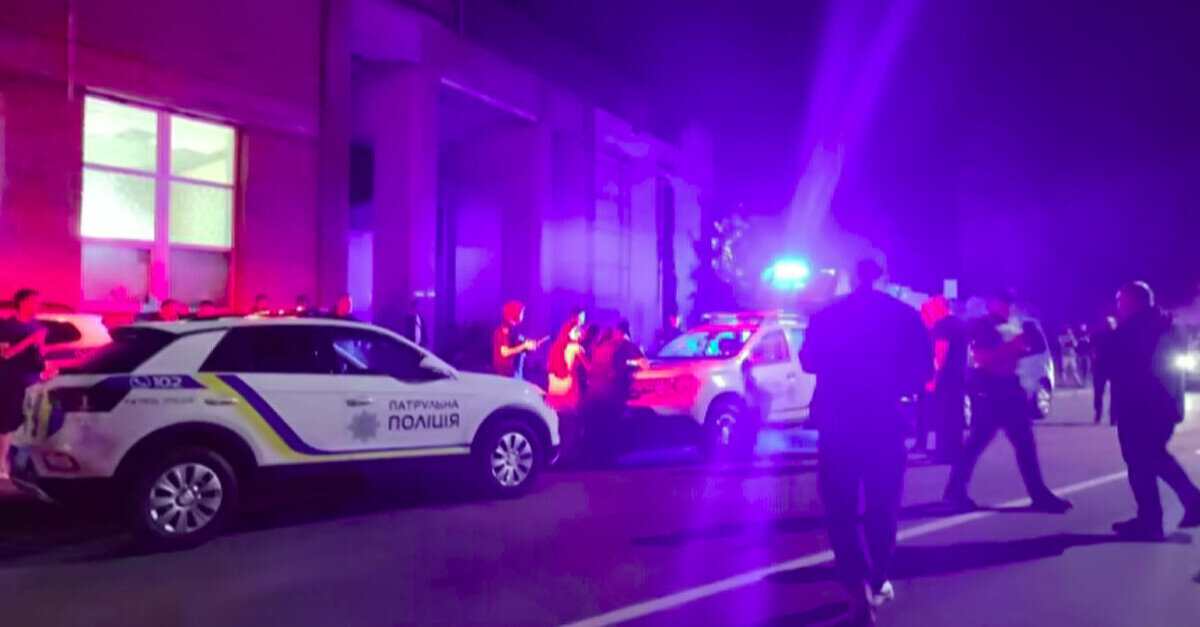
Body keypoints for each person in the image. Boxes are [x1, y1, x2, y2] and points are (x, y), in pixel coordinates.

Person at [800, 259, 933, 624]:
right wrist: (897, 386)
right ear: (882, 278)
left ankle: (856, 585)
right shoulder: (903, 316)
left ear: (852, 278)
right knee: (883, 506)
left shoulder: (828, 316)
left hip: (838, 421)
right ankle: (877, 578)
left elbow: (808, 361)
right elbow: (924, 370)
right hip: (885, 420)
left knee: (840, 509)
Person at [943, 290, 1073, 513]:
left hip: (1009, 388)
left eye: (1010, 303)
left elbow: (1024, 350)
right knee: (976, 444)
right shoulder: (983, 326)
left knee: (1024, 445)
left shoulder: (1013, 324)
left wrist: (1022, 347)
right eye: (1004, 302)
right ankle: (955, 492)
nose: (1008, 307)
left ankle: (1039, 494)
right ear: (992, 303)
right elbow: (982, 358)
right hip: (990, 391)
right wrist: (1013, 347)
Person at [1108, 282, 1200, 539]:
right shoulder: (1167, 324)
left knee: (1139, 463)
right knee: (1154, 457)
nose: (1119, 306)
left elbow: (1119, 365)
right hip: (1164, 405)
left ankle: (1151, 521)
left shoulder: (1134, 328)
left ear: (1132, 302)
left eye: (1121, 301)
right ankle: (1188, 502)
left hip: (1140, 406)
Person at [0, 289, 48, 479]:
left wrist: (45, 366)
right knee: (7, 422)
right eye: (34, 301)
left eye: (39, 302)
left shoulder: (38, 326)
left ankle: (23, 467)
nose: (37, 305)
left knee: (29, 423)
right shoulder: (6, 326)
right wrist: (30, 340)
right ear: (22, 302)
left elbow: (40, 355)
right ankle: (2, 464)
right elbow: (5, 354)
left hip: (32, 381)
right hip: (10, 380)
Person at [584, 320, 644, 462]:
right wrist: (634, 363)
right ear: (624, 331)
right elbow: (643, 363)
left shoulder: (600, 346)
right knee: (611, 426)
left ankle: (595, 457)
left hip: (594, 392)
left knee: (598, 426)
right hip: (611, 392)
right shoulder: (624, 345)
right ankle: (609, 457)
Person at [927, 295, 969, 464]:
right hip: (959, 375)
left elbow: (940, 352)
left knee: (942, 415)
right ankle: (955, 450)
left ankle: (942, 453)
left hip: (945, 377)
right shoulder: (961, 324)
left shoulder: (941, 326)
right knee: (956, 413)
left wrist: (934, 375)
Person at [547, 312, 589, 462]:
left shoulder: (555, 346)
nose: (580, 333)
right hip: (568, 387)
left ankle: (556, 455)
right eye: (577, 330)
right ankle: (567, 456)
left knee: (559, 423)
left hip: (554, 388)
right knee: (571, 423)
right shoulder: (576, 347)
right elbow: (589, 367)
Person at [491, 301, 542, 379]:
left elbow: (519, 348)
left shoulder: (516, 330)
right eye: (521, 312)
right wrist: (524, 346)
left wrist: (530, 347)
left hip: (516, 373)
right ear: (514, 313)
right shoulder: (503, 330)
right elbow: (505, 352)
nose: (523, 315)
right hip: (505, 375)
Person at [1090, 315, 1117, 425]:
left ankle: (1113, 416)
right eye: (1106, 324)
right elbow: (1091, 349)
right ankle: (1099, 412)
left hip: (1113, 367)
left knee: (1115, 393)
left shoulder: (1118, 335)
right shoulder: (1098, 336)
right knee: (1099, 392)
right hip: (1101, 366)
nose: (1108, 326)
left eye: (1110, 324)